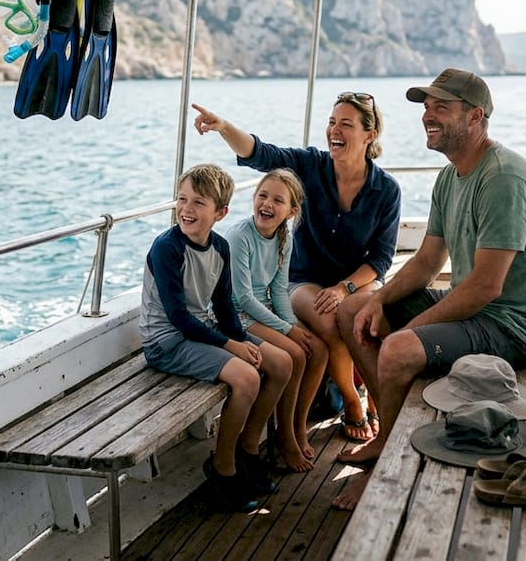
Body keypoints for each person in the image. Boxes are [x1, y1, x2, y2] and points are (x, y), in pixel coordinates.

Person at [331, 68, 526, 510]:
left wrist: (408, 333)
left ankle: (387, 468)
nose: (427, 115)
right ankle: (388, 436)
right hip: (482, 311)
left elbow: (485, 287)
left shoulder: (503, 178)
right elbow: (426, 261)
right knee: (352, 311)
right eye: (426, 106)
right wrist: (379, 300)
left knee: (399, 349)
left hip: (517, 325)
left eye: (442, 106)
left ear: (475, 116)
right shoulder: (451, 175)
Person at [192, 94, 401, 443]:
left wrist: (343, 289)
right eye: (332, 122)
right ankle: (352, 401)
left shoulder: (386, 190)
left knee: (367, 319)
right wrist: (224, 128)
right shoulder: (310, 166)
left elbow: (380, 259)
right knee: (331, 322)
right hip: (305, 280)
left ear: (370, 135)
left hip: (355, 282)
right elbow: (261, 154)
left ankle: (384, 407)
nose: (334, 130)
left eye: (345, 124)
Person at [140, 163, 292, 511]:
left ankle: (248, 449)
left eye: (198, 203)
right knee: (247, 378)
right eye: (182, 199)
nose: (186, 209)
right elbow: (178, 318)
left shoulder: (219, 247)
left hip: (202, 329)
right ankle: (224, 468)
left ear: (220, 212)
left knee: (280, 363)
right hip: (167, 342)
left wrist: (243, 341)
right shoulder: (168, 248)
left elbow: (224, 307)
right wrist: (232, 346)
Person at [223, 168, 329, 472]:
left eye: (277, 200)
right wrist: (287, 330)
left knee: (318, 349)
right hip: (237, 314)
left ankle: (297, 427)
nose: (267, 204)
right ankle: (281, 438)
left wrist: (292, 326)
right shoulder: (240, 236)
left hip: (264, 307)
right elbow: (242, 298)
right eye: (262, 195)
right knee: (294, 353)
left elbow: (279, 289)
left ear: (291, 211)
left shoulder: (284, 237)